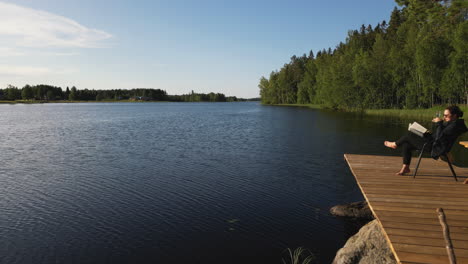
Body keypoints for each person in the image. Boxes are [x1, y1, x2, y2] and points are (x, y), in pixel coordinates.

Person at [384, 105, 468, 176]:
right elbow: (440, 136)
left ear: (454, 115)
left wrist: (439, 124)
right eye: (443, 115)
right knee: (407, 143)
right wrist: (427, 133)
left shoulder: (454, 126)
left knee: (408, 136)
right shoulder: (453, 123)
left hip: (436, 147)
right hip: (435, 144)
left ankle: (395, 144)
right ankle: (405, 168)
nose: (444, 117)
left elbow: (439, 138)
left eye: (446, 115)